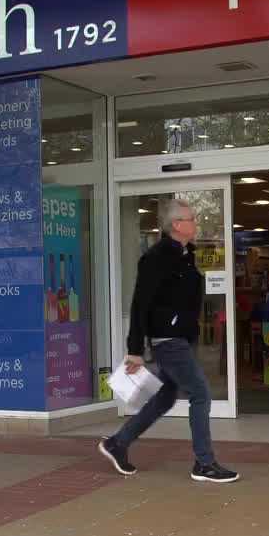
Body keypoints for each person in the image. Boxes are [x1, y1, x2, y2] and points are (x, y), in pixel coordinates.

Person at [98, 198, 240, 483]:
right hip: (168, 339)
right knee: (200, 393)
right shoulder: (157, 258)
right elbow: (140, 304)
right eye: (192, 219)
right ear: (177, 225)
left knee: (165, 397)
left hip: (182, 337)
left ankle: (118, 443)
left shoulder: (185, 254)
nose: (196, 223)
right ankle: (204, 463)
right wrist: (135, 350)